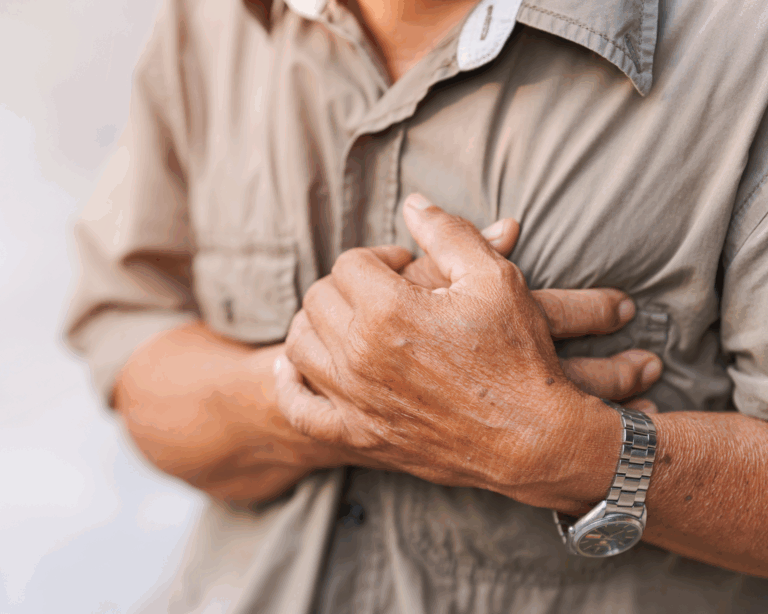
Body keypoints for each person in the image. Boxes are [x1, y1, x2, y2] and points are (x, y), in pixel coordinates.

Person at [63, 0, 768, 611]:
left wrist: (573, 450)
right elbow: (133, 346)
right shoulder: (213, 21)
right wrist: (328, 394)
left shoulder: (740, 50)